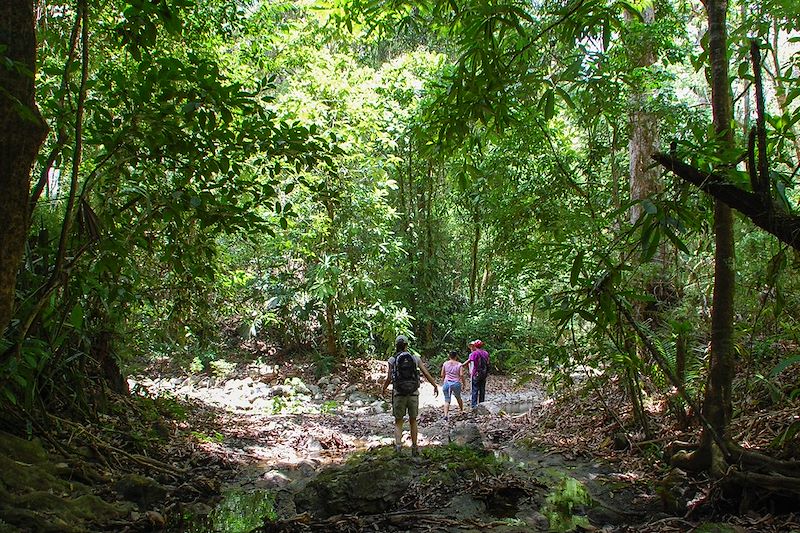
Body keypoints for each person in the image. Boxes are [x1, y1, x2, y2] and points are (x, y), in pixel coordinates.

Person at [381, 335, 439, 456]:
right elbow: (425, 373)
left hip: (399, 393)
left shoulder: (392, 359)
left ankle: (398, 447)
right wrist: (434, 385)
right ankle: (414, 447)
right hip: (413, 393)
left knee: (398, 421)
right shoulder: (414, 358)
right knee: (413, 420)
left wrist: (383, 388)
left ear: (396, 345)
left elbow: (389, 377)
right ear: (407, 345)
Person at [462, 339, 489, 409]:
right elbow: (488, 362)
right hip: (484, 373)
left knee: (475, 389)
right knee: (482, 389)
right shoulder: (486, 353)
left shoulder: (475, 353)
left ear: (475, 346)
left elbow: (469, 361)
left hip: (476, 373)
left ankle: (474, 405)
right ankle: (482, 404)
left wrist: (461, 365)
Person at [441, 350, 465, 420]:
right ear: (456, 356)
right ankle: (461, 410)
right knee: (458, 397)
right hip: (456, 383)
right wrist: (464, 383)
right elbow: (461, 375)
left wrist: (443, 381)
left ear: (449, 356)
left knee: (447, 400)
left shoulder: (445, 364)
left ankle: (446, 415)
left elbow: (442, 374)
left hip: (447, 383)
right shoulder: (459, 364)